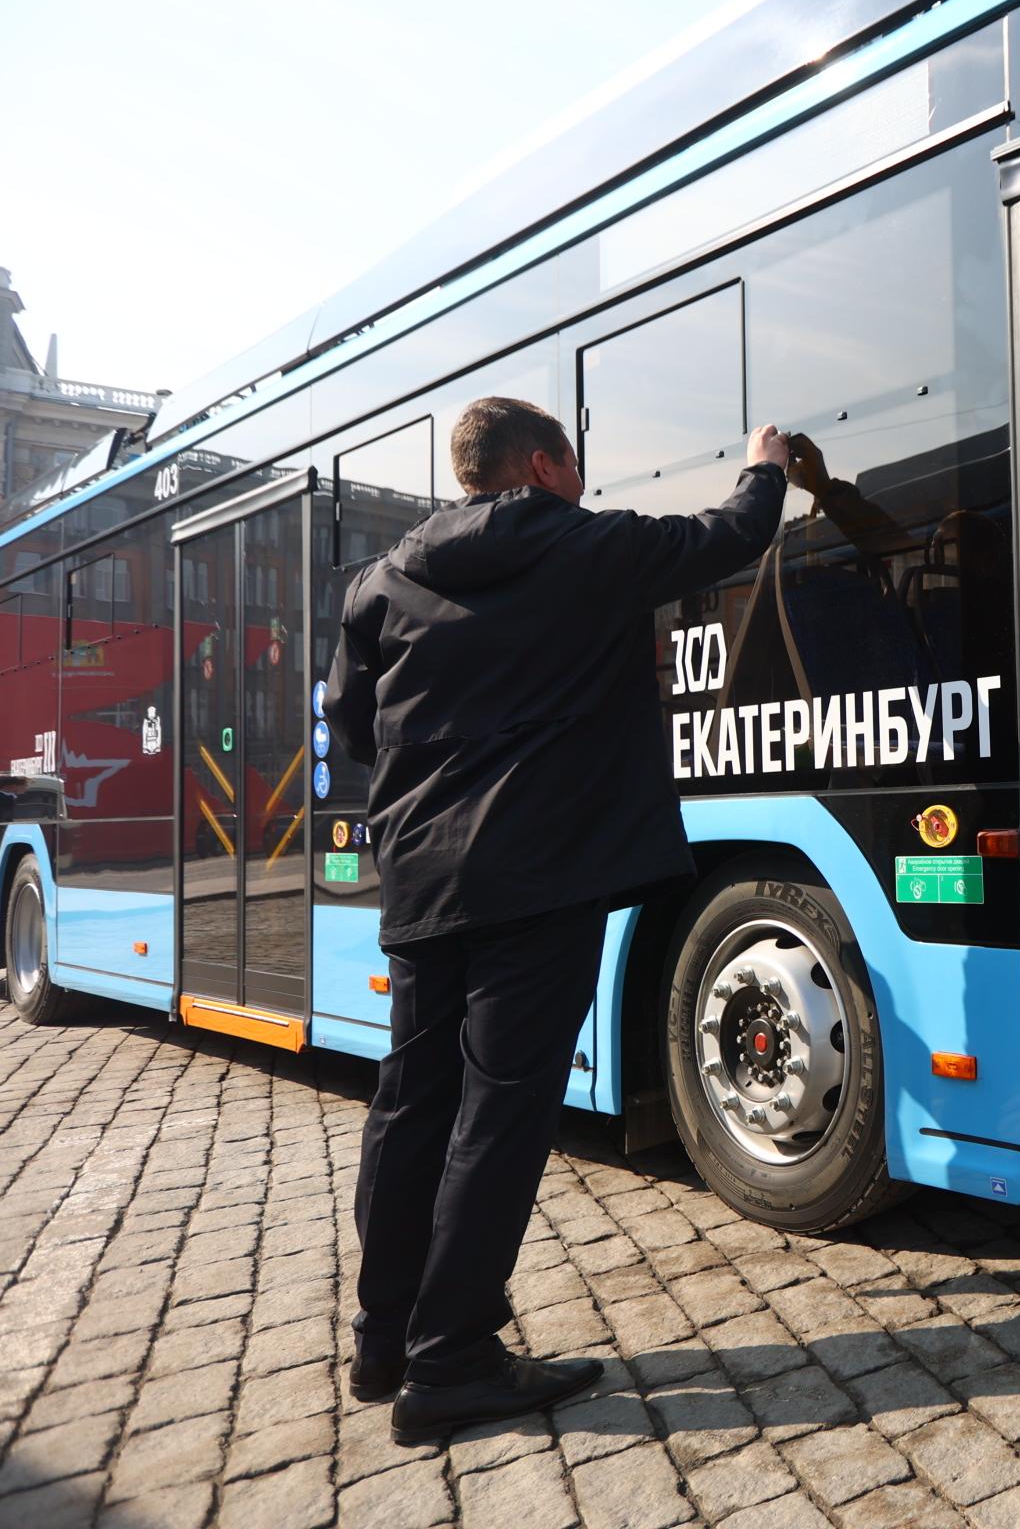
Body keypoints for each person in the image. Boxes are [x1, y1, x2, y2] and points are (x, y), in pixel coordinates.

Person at [323, 398, 816, 1443]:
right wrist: (764, 465)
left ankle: (383, 1336)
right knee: (501, 1110)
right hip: (536, 874)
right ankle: (451, 1359)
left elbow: (349, 719)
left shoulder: (382, 579)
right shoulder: (581, 545)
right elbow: (726, 536)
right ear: (543, 464)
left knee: (412, 1100)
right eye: (575, 462)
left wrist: (431, 780)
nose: (583, 479)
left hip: (421, 878)